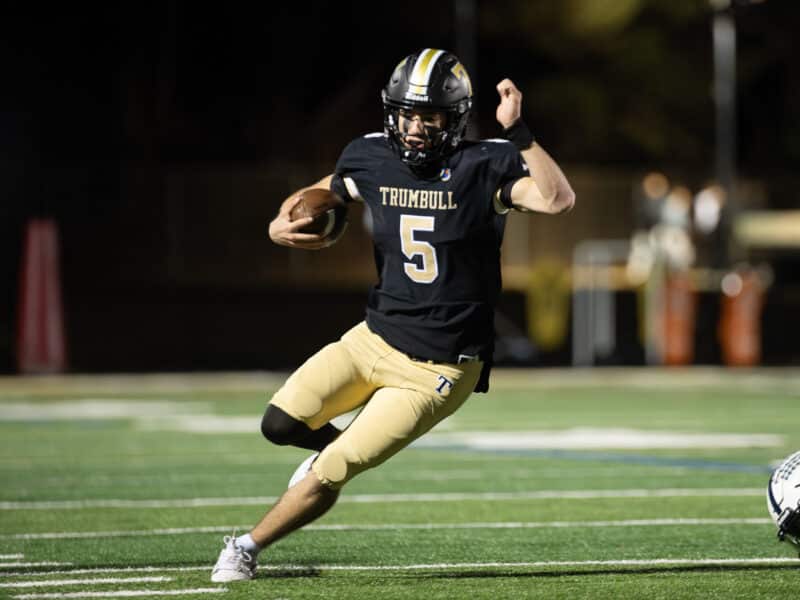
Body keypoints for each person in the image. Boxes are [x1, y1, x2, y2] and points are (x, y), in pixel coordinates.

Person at [210, 48, 575, 582]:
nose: (416, 128)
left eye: (430, 118)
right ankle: (337, 457)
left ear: (455, 119)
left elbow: (557, 200)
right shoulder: (370, 156)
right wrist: (279, 220)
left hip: (440, 366)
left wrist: (519, 133)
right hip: (374, 337)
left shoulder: (484, 164)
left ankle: (245, 548)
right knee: (279, 424)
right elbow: (325, 190)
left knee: (331, 469)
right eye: (407, 115)